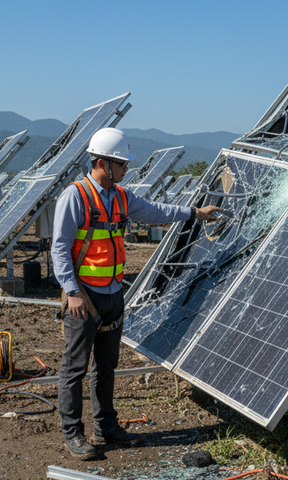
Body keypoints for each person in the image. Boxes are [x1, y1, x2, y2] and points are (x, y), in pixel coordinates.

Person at [50, 128, 219, 459]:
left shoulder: (120, 197)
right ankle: (73, 433)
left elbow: (156, 211)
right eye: (121, 164)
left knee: (107, 365)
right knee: (74, 367)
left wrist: (194, 213)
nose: (126, 169)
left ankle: (106, 427)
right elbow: (59, 249)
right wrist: (72, 292)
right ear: (101, 163)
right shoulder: (76, 197)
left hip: (114, 295)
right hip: (84, 298)